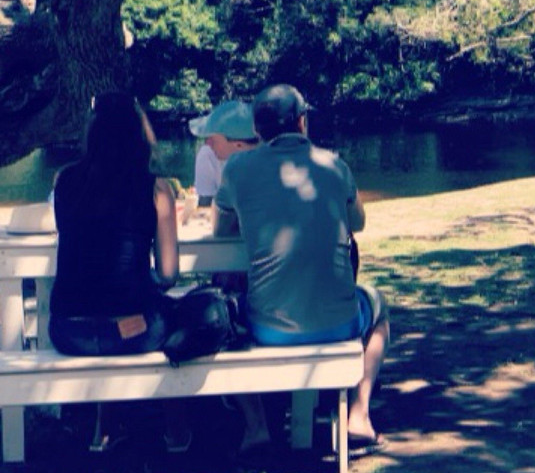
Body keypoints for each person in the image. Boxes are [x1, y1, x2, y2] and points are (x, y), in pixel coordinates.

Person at [213, 84, 389, 454]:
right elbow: (357, 222)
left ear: (258, 131)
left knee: (223, 320)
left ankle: (257, 425)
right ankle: (359, 414)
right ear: (302, 122)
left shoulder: (238, 168)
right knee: (379, 307)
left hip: (268, 325)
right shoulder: (333, 165)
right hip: (339, 321)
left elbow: (220, 231)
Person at [48, 92, 191, 453]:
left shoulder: (64, 182)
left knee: (112, 304)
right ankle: (175, 431)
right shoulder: (156, 189)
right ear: (138, 135)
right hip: (132, 333)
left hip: (68, 329)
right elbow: (170, 273)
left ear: (92, 134)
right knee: (174, 317)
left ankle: (105, 428)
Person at [189, 100, 258, 209]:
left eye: (212, 139)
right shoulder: (208, 153)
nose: (207, 143)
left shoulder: (274, 163)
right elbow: (204, 204)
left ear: (238, 145)